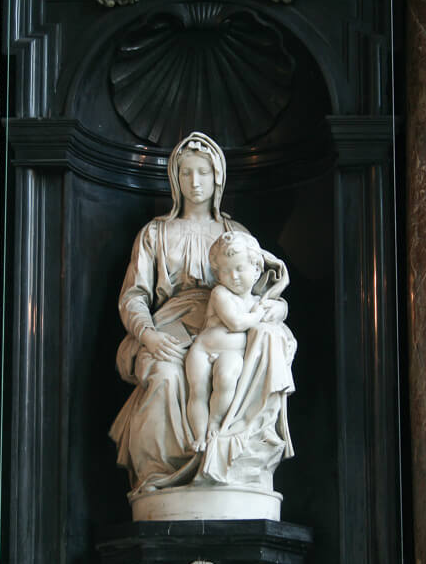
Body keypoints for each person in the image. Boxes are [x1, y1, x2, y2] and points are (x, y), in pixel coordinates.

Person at [109, 132, 294, 496]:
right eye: (187, 173)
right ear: (175, 179)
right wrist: (148, 335)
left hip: (226, 330)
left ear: (218, 178)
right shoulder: (155, 233)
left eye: (204, 173)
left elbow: (263, 289)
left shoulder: (234, 233)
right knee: (164, 378)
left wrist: (276, 307)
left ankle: (227, 456)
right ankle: (160, 474)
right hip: (169, 330)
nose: (196, 182)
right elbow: (133, 297)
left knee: (248, 363)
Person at [186, 232, 274, 453]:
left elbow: (279, 310)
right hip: (203, 350)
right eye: (225, 271)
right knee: (198, 391)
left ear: (256, 270)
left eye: (239, 269)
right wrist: (257, 315)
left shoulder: (258, 301)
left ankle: (215, 423)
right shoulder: (220, 293)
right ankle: (199, 435)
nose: (232, 276)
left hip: (231, 354)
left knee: (226, 380)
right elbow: (235, 323)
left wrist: (276, 309)